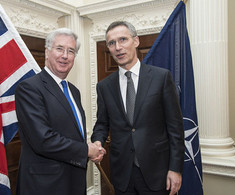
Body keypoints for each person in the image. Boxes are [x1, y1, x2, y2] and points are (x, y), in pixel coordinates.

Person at [91, 21, 185, 195]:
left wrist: (176, 168)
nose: (118, 47)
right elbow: (102, 123)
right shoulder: (104, 86)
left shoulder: (161, 77)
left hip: (158, 173)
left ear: (136, 41)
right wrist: (97, 141)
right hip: (122, 174)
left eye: (123, 40)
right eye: (112, 43)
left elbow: (175, 128)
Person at [15, 28, 105, 195]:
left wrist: (90, 147)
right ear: (47, 52)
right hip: (45, 186)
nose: (65, 55)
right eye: (59, 48)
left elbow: (70, 134)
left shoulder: (73, 91)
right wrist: (86, 150)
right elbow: (43, 140)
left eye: (71, 51)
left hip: (74, 181)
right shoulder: (29, 88)